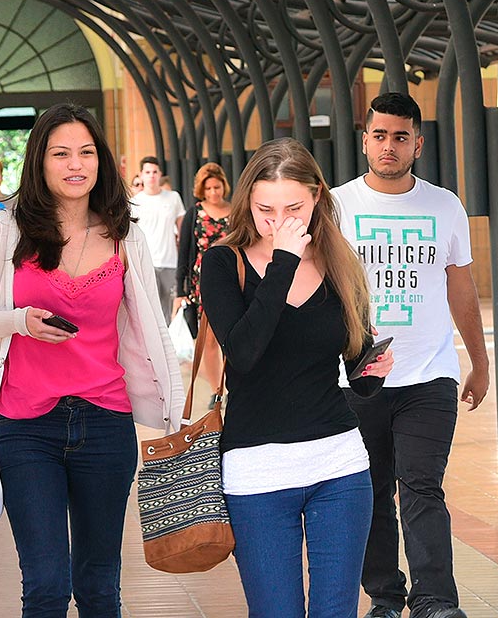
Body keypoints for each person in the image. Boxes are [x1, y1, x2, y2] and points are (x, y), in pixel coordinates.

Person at [0, 104, 185, 616]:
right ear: (39, 161)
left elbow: (151, 328)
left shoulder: (126, 234)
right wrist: (17, 321)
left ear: (101, 161)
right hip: (24, 425)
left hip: (105, 422)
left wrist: (172, 406)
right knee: (46, 585)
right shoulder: (7, 229)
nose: (75, 164)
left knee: (100, 585)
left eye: (86, 152)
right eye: (61, 153)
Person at [200, 138, 394, 617]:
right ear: (247, 202)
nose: (280, 222)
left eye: (295, 208)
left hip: (339, 465)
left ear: (317, 200)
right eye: (266, 209)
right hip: (256, 470)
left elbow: (353, 371)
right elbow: (243, 355)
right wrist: (284, 261)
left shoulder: (340, 261)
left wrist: (372, 371)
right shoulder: (224, 263)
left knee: (336, 611)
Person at [332, 92, 489, 618]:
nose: (389, 146)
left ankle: (435, 601)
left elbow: (461, 290)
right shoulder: (336, 206)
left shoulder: (445, 205)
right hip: (358, 377)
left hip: (430, 374)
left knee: (421, 486)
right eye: (379, 135)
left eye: (400, 137)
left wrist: (479, 361)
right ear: (365, 140)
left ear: (417, 144)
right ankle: (384, 596)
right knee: (372, 493)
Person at [174, 162, 233, 390]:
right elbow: (184, 252)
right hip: (203, 283)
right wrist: (180, 291)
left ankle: (232, 385)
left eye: (217, 187)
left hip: (232, 279)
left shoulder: (235, 211)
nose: (213, 193)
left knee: (231, 337)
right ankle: (216, 389)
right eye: (208, 189)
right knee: (207, 338)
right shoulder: (195, 213)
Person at [129, 156, 186, 308]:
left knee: (172, 309)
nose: (151, 175)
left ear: (160, 174)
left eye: (155, 172)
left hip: (170, 262)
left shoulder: (173, 197)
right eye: (147, 172)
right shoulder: (135, 202)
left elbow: (182, 228)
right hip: (146, 263)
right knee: (151, 308)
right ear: (141, 174)